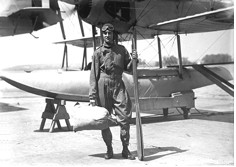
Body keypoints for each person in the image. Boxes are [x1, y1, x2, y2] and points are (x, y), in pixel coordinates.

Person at [89, 23, 135, 160]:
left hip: (118, 85)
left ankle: (125, 149)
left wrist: (134, 59)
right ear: (102, 35)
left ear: (113, 34)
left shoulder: (121, 50)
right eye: (105, 33)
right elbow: (93, 75)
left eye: (110, 33)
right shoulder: (97, 53)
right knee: (104, 119)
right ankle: (109, 149)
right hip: (102, 85)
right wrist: (92, 96)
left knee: (125, 118)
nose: (108, 35)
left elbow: (129, 68)